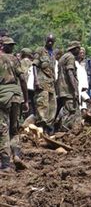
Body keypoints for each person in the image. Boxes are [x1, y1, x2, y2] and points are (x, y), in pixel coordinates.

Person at [0, 36, 29, 171]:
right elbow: (22, 79)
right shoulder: (15, 59)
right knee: (14, 129)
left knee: (3, 130)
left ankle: (5, 163)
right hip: (16, 96)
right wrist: (26, 100)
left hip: (3, 97)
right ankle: (17, 155)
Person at [32, 34, 57, 134]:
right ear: (45, 40)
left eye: (52, 41)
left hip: (51, 83)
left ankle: (49, 129)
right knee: (42, 105)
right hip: (42, 82)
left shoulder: (53, 54)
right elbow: (34, 65)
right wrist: (36, 80)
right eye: (48, 40)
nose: (50, 42)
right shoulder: (40, 51)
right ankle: (41, 128)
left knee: (52, 107)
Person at [56, 41, 81, 131]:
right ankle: (65, 133)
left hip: (62, 89)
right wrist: (75, 90)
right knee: (71, 112)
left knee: (66, 111)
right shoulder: (70, 57)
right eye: (79, 48)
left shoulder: (63, 57)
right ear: (75, 49)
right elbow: (70, 72)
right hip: (68, 90)